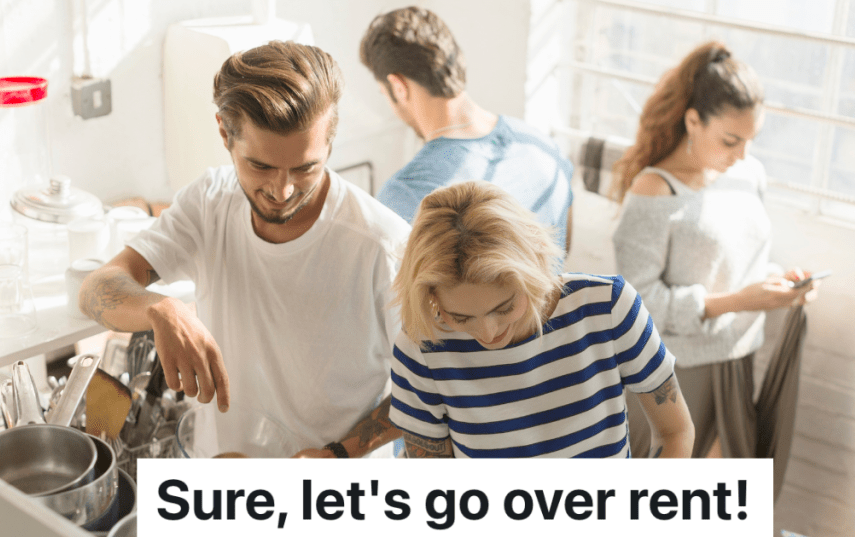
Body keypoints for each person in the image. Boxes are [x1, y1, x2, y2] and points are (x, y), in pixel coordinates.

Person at [79, 41, 410, 458]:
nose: (282, 190)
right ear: (224, 133)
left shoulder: (383, 246)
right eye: (261, 166)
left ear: (329, 143)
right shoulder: (209, 202)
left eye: (306, 167)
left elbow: (430, 387)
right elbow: (95, 289)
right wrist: (159, 309)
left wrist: (339, 454)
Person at [609, 41, 821, 459]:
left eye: (750, 140)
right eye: (729, 140)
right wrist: (741, 301)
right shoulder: (654, 190)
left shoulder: (748, 174)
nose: (742, 154)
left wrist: (781, 284)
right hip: (674, 377)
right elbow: (639, 307)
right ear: (693, 121)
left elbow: (740, 263)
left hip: (737, 364)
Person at [388, 181, 694, 458]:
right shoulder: (422, 346)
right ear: (431, 297)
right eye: (460, 317)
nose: (488, 331)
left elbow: (675, 432)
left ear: (533, 266)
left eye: (504, 307)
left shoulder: (609, 307)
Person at [359, 6, 575, 252]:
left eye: (382, 93)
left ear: (398, 86)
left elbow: (389, 288)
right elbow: (564, 247)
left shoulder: (404, 194)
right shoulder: (544, 146)